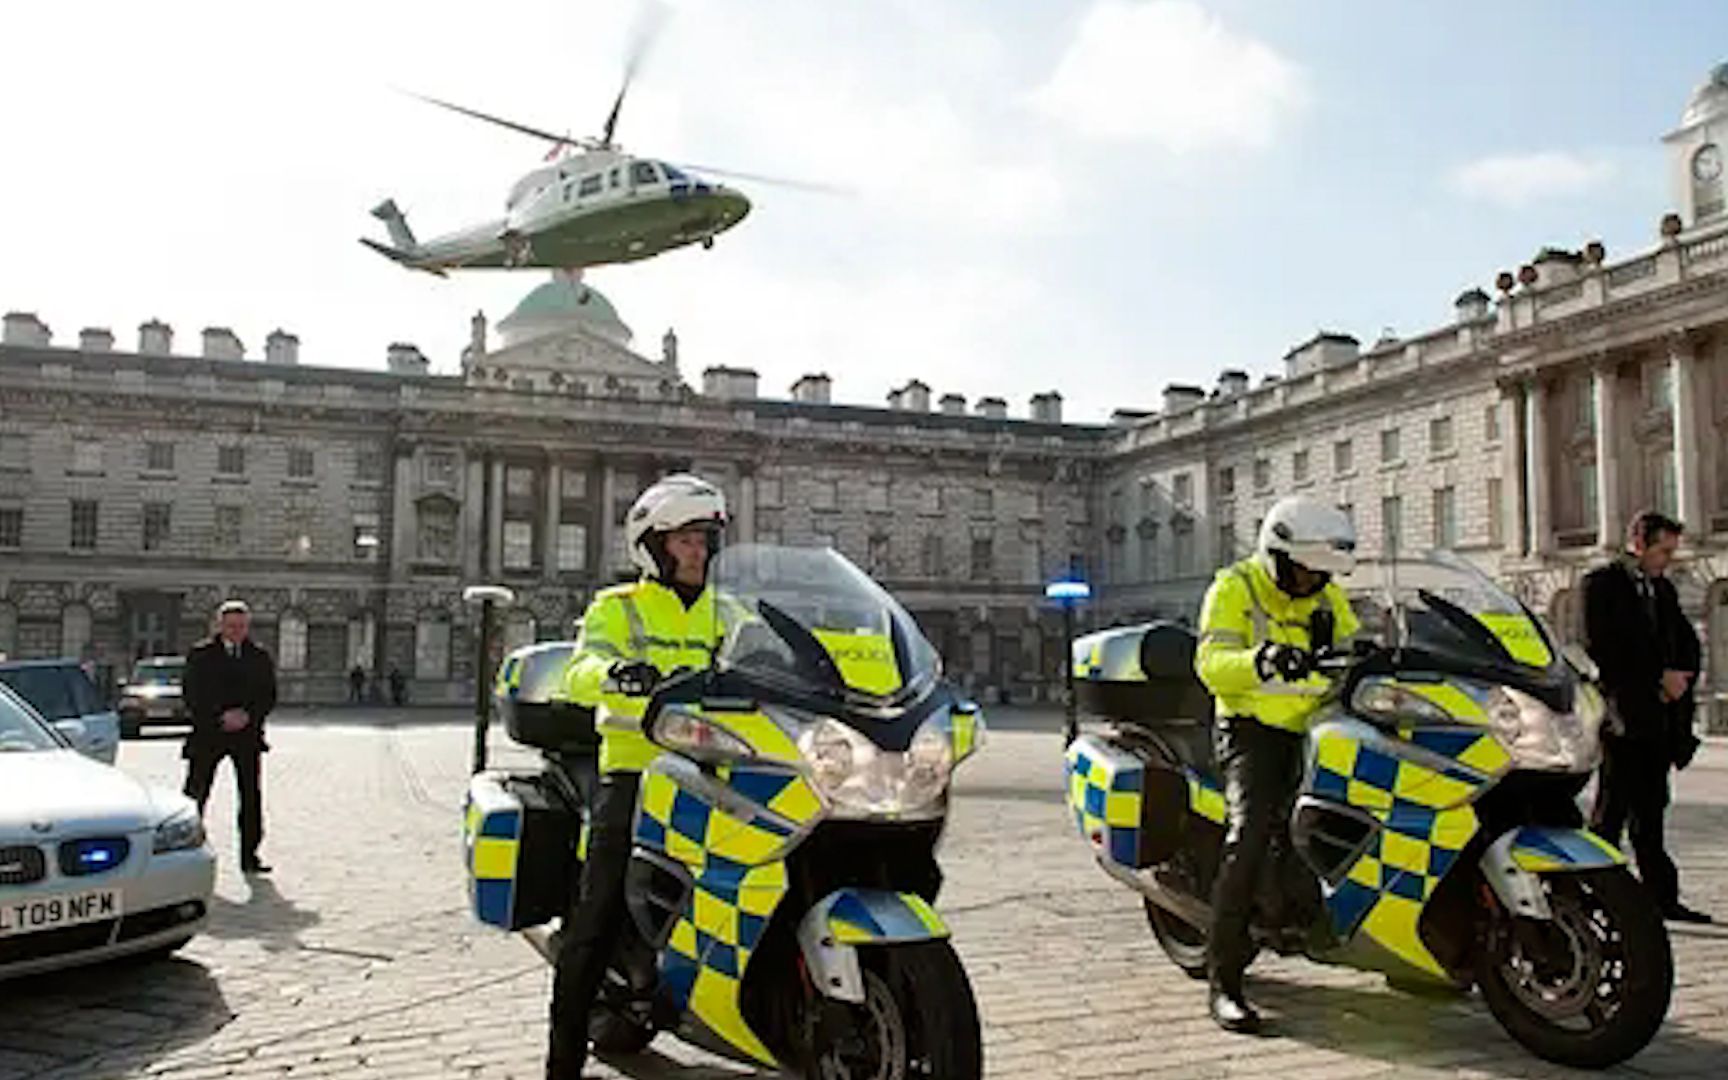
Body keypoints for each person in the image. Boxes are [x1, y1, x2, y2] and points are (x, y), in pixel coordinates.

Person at [546, 473, 730, 1080]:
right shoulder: (618, 607)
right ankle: (563, 1061)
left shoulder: (729, 613)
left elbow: (776, 662)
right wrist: (615, 673)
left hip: (716, 771)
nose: (697, 549)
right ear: (653, 546)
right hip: (636, 774)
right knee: (596, 914)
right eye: (684, 539)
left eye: (704, 538)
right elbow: (580, 669)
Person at [1194, 495, 1359, 1033]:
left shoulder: (1328, 593)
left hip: (1317, 726)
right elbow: (1211, 665)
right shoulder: (1235, 588)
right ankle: (1226, 980)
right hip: (1252, 732)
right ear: (1277, 556)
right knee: (1248, 835)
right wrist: (1260, 660)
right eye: (1306, 571)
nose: (1314, 583)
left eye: (1320, 573)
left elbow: (1353, 644)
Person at [1584, 510, 1711, 924]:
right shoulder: (1602, 585)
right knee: (1610, 816)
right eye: (1662, 551)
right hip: (1624, 718)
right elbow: (1604, 648)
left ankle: (1662, 899)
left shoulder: (1663, 590)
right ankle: (1589, 894)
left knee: (1651, 815)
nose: (1667, 560)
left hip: (1658, 722)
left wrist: (1681, 679)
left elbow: (1684, 642)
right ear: (1639, 543)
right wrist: (1657, 678)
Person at [182, 599, 278, 875]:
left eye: (241, 626)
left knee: (250, 796)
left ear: (248, 627)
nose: (236, 630)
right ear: (219, 625)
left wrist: (248, 715)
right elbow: (192, 694)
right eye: (231, 625)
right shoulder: (201, 654)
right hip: (209, 734)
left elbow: (268, 695)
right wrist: (220, 717)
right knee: (196, 794)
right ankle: (186, 849)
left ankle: (250, 855)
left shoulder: (259, 656)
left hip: (246, 736)